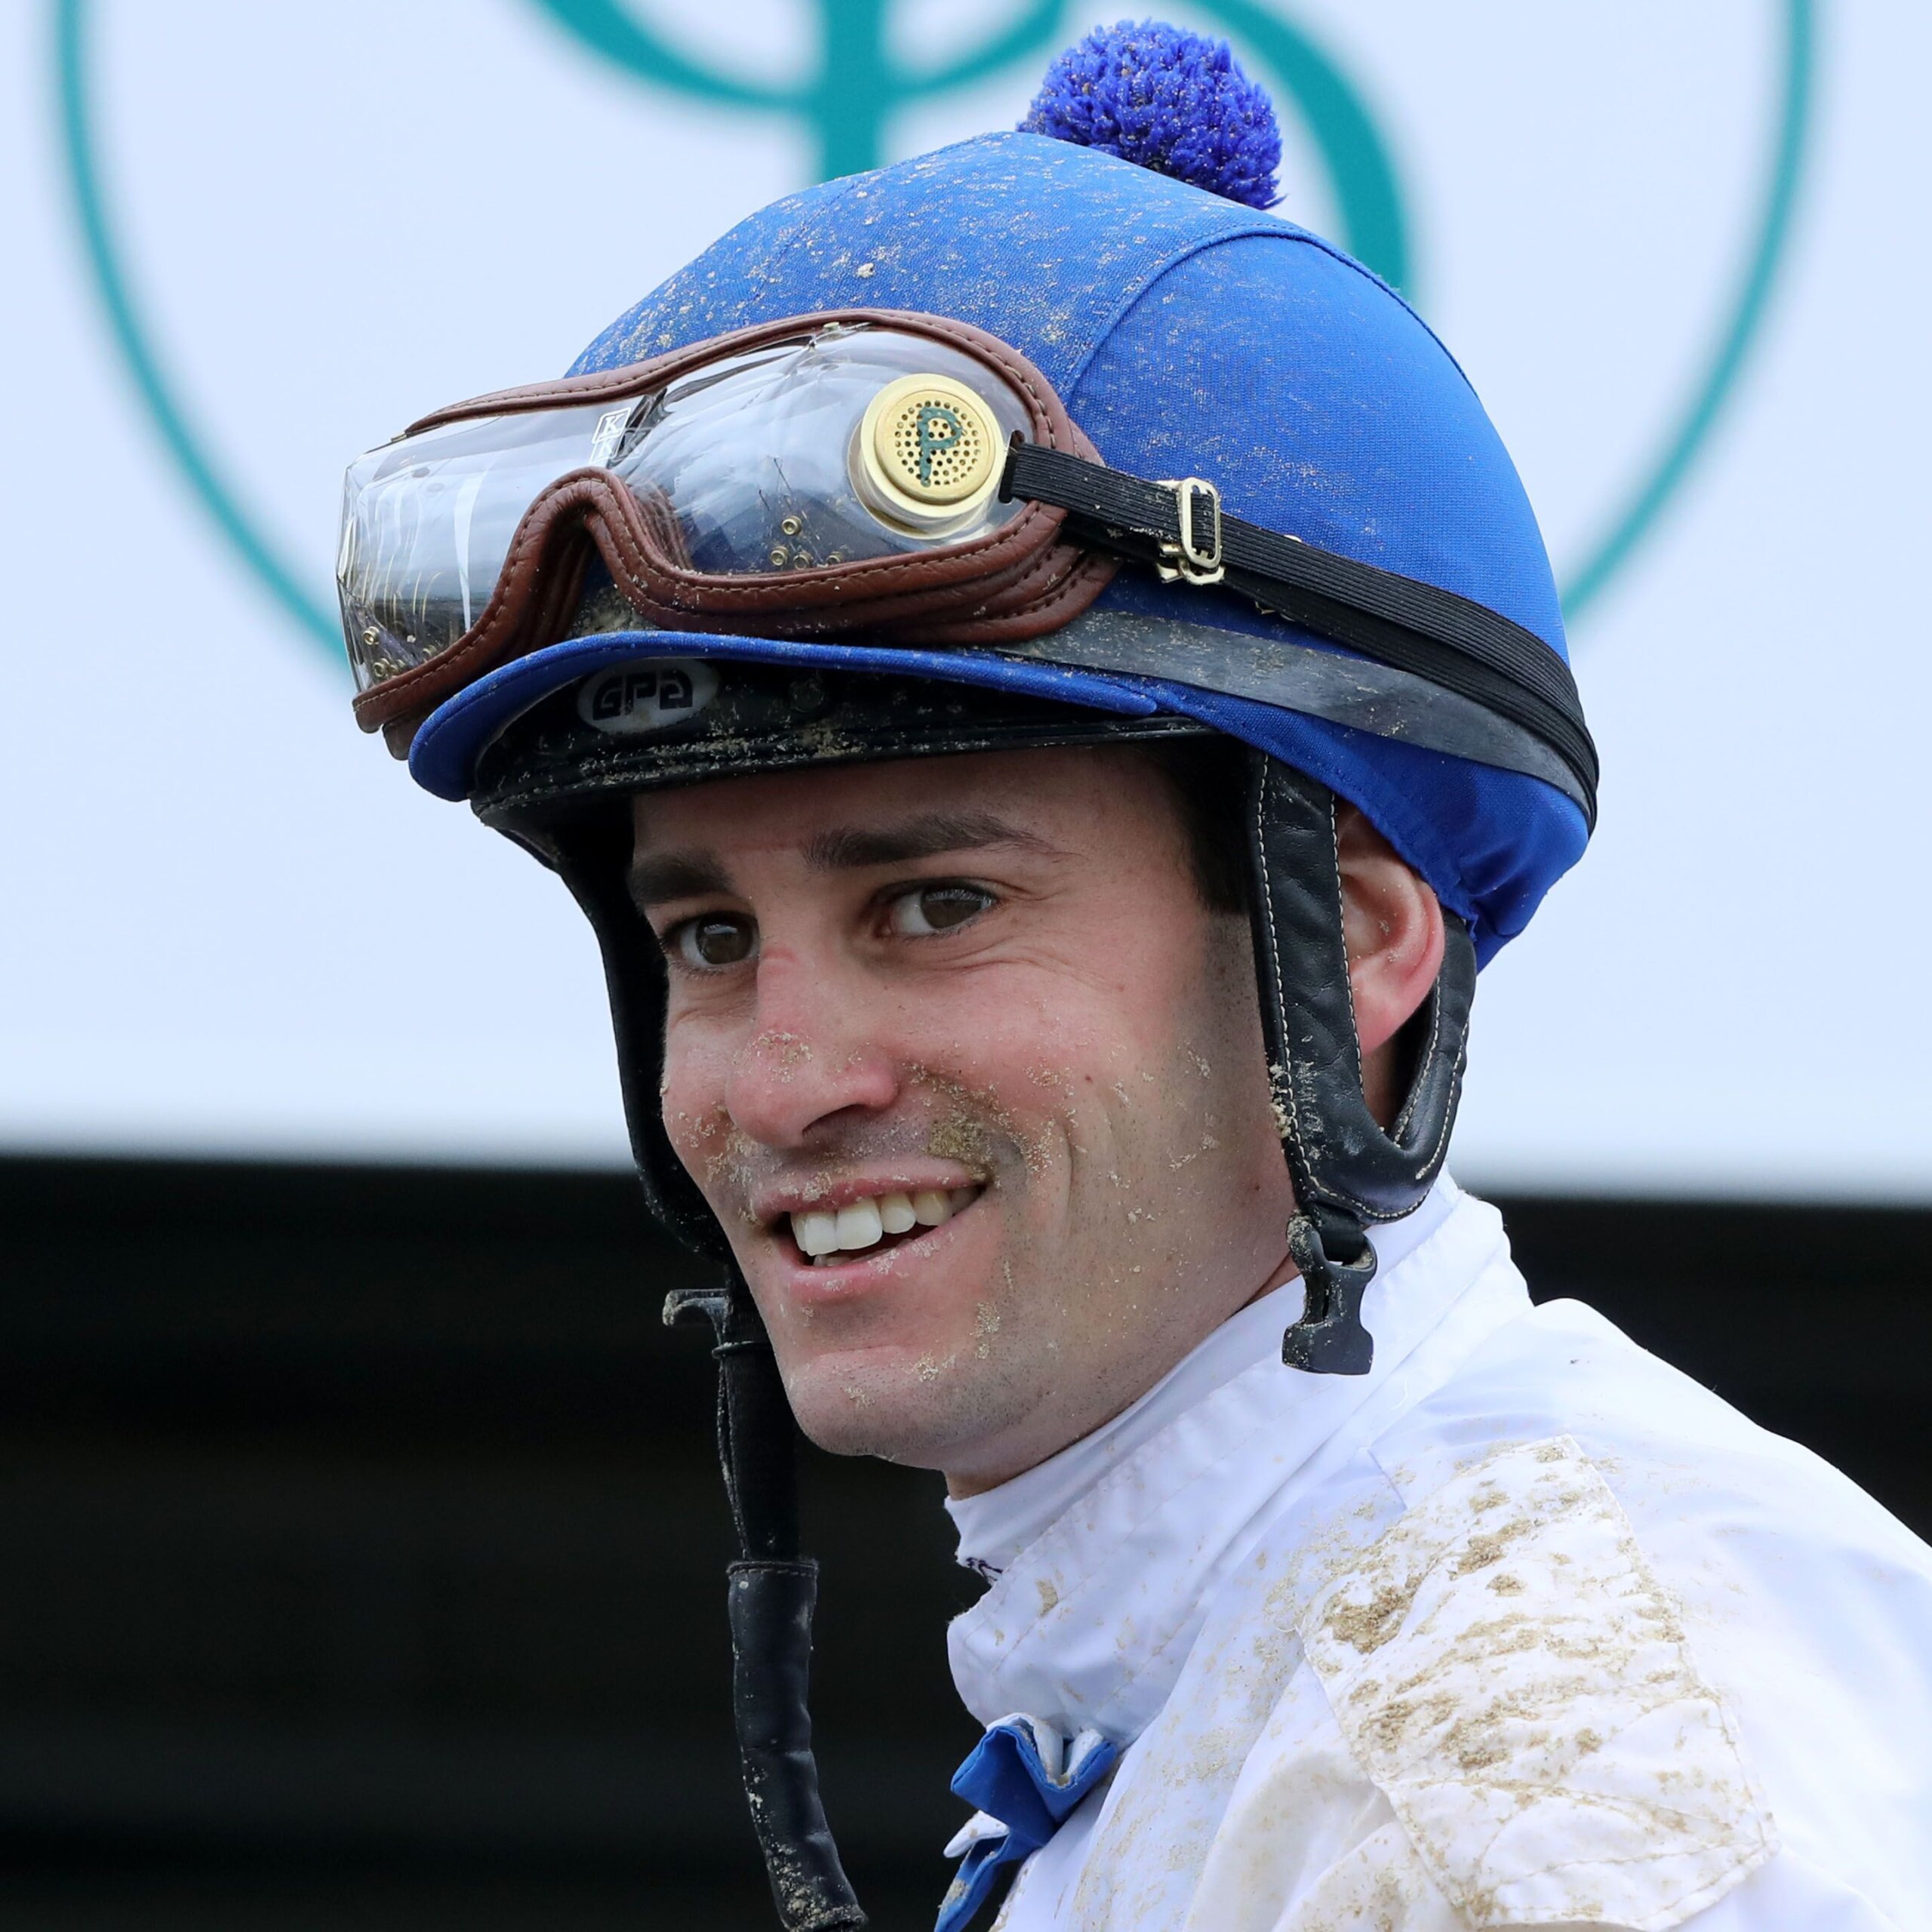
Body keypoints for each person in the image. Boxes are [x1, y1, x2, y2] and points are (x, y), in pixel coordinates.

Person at [336, 23, 1932, 1930]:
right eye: (710, 934)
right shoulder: (1232, 1679)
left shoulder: (1543, 1776)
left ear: (1344, 939)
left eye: (932, 905)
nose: (777, 1081)